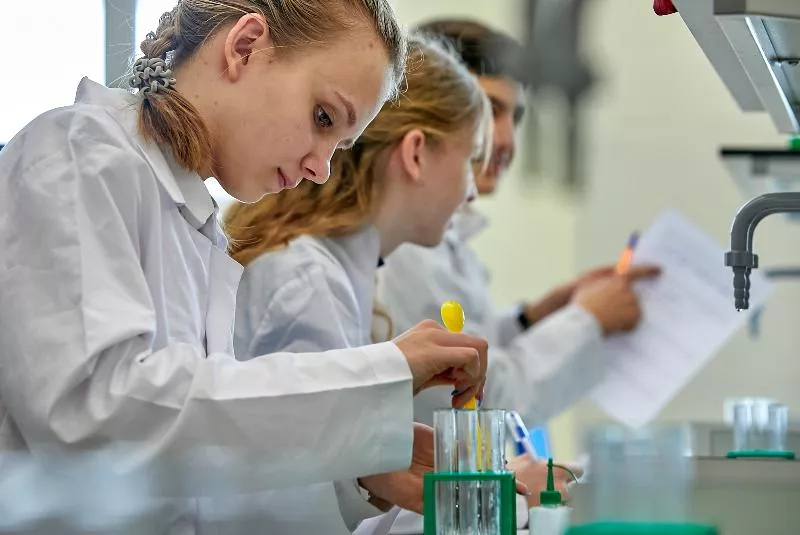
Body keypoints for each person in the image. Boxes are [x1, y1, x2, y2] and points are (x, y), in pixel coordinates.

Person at [0, 3, 490, 532]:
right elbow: (95, 421)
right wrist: (375, 381)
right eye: (323, 117)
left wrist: (360, 453)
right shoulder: (77, 153)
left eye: (340, 145)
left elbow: (185, 473)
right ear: (245, 46)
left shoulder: (192, 223)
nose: (320, 169)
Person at [223, 34, 567, 535]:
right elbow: (280, 513)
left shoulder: (330, 273)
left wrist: (380, 475)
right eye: (469, 160)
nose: (472, 192)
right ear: (416, 153)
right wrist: (500, 497)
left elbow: (310, 486)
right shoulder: (307, 282)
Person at [378, 19, 660, 435]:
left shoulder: (441, 237)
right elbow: (481, 400)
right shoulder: (405, 247)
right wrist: (589, 319)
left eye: (517, 116)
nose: (507, 140)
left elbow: (473, 346)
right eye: (489, 110)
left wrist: (533, 316)